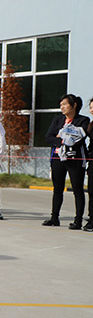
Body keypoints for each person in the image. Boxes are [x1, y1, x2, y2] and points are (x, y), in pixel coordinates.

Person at [43, 94, 90, 230]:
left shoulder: (83, 120)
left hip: (75, 159)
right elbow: (49, 137)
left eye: (64, 104)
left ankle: (78, 220)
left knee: (77, 190)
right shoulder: (58, 120)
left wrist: (62, 135)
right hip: (58, 158)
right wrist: (63, 140)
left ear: (74, 105)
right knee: (57, 189)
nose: (62, 107)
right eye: (61, 105)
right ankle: (54, 217)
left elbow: (78, 138)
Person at [85, 98, 93, 232]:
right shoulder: (91, 124)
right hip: (92, 162)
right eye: (91, 107)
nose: (92, 110)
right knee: (91, 192)